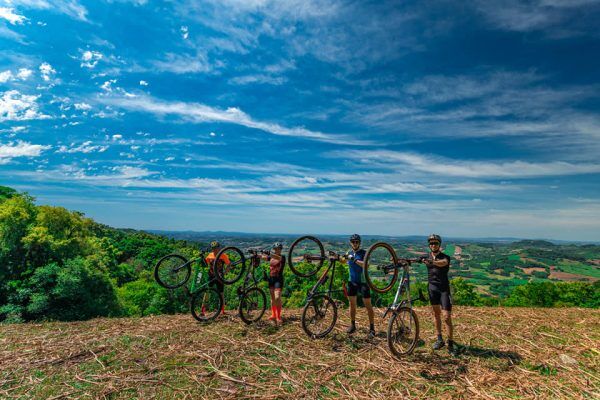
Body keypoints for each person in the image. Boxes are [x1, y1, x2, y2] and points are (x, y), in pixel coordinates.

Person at [421, 234, 455, 353]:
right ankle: (439, 339)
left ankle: (450, 343)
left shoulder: (445, 257)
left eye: (435, 243)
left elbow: (443, 263)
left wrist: (431, 261)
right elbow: (414, 260)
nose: (433, 245)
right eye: (431, 243)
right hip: (432, 288)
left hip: (443, 289)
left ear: (439, 245)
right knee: (436, 314)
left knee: (446, 316)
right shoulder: (426, 256)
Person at [344, 234, 376, 338]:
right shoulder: (349, 252)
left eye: (357, 242)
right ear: (350, 243)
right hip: (352, 282)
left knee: (368, 306)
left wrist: (354, 260)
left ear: (359, 243)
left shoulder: (364, 253)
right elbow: (343, 260)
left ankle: (372, 328)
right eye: (353, 242)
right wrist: (338, 257)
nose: (355, 243)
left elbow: (367, 264)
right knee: (352, 305)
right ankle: (352, 325)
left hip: (363, 282)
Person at [205, 240, 230, 316]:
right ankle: (203, 310)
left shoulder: (223, 255)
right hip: (211, 276)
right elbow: (206, 263)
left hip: (220, 277)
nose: (215, 250)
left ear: (219, 248)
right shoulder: (209, 255)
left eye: (216, 248)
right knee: (207, 292)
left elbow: (229, 264)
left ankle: (223, 310)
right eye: (213, 248)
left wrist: (224, 273)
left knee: (221, 293)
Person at [263, 242, 286, 325]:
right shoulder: (271, 258)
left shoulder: (282, 257)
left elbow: (275, 257)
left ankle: (278, 316)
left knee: (277, 297)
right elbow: (264, 258)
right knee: (272, 298)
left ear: (281, 249)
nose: (277, 250)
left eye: (279, 249)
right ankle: (273, 314)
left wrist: (269, 253)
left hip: (278, 279)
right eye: (276, 249)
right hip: (271, 279)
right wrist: (255, 254)